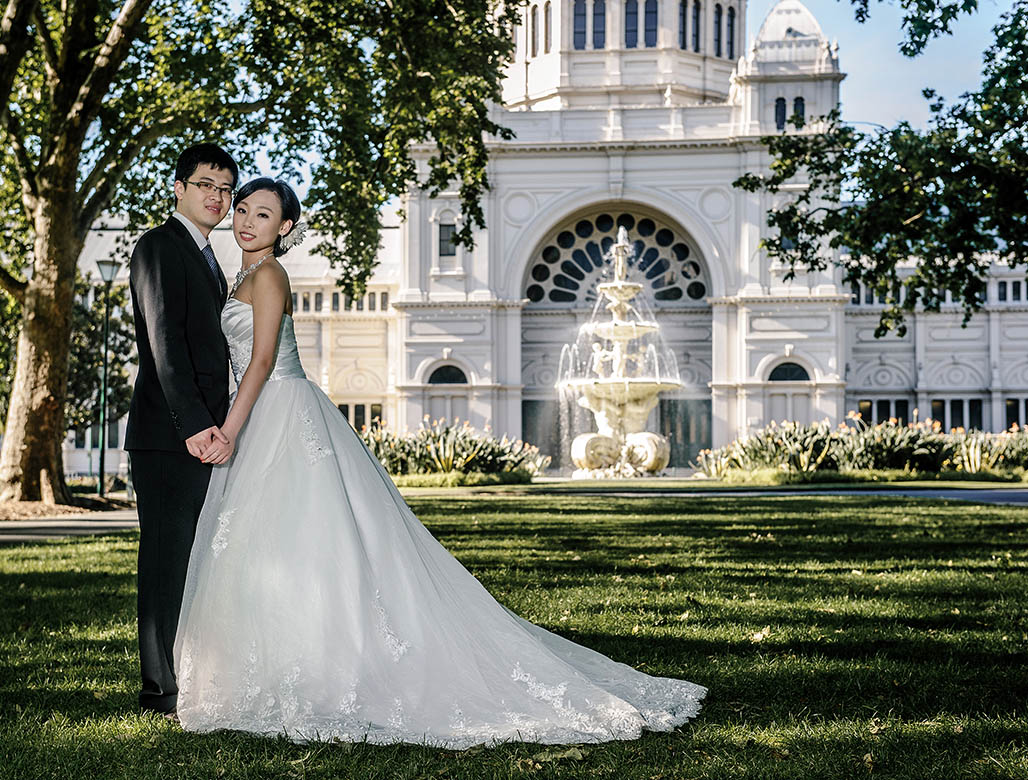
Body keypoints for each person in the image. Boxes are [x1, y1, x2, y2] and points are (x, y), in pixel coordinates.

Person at [173, 177, 706, 746]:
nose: (248, 221)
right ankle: (276, 659)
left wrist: (229, 430)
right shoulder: (246, 275)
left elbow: (259, 364)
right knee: (276, 547)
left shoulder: (270, 274)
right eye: (245, 210)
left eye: (264, 214)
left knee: (303, 540)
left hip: (274, 406)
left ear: (285, 229)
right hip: (263, 411)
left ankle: (323, 664)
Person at [124, 143, 238, 716]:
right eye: (204, 185)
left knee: (195, 559)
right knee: (166, 560)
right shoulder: (158, 247)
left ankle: (187, 674)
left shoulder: (209, 258)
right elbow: (164, 343)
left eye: (225, 189)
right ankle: (159, 690)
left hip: (202, 436)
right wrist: (196, 426)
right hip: (168, 438)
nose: (216, 197)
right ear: (179, 188)